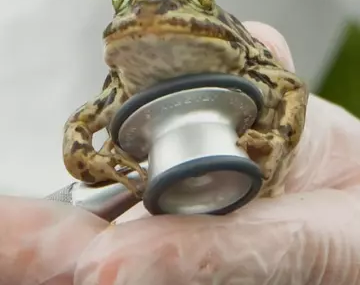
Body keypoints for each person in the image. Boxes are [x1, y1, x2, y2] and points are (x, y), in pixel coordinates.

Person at [1, 22, 359, 285]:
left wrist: (282, 137)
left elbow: (292, 87)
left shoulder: (251, 62)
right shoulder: (118, 84)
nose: (155, 16)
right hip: (63, 195)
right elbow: (78, 129)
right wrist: (98, 166)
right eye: (126, 3)